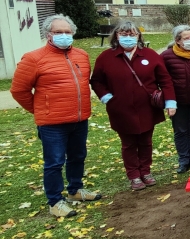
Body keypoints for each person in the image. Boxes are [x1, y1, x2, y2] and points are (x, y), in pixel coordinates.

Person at [10, 14, 102, 218]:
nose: (63, 35)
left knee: (78, 156)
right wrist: (40, 109)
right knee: (54, 162)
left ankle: (75, 190)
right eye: (58, 32)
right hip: (52, 123)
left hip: (79, 119)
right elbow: (18, 90)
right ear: (48, 35)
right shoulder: (33, 58)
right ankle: (55, 201)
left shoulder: (81, 55)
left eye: (67, 32)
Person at [90, 21, 177, 191]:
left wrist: (170, 102)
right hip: (121, 109)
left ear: (138, 36)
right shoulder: (106, 57)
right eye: (124, 34)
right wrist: (107, 97)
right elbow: (97, 81)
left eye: (132, 34)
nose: (128, 38)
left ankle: (145, 171)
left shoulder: (150, 55)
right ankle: (134, 175)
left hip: (147, 107)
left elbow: (165, 80)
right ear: (117, 36)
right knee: (128, 143)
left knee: (146, 141)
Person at [161, 25, 190, 174]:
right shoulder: (166, 56)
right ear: (178, 41)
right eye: (186, 38)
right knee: (180, 131)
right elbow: (162, 79)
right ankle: (183, 160)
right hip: (177, 101)